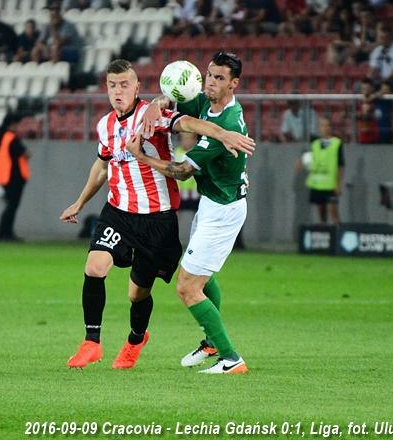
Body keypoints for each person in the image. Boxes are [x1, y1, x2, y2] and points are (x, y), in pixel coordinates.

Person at [60, 58, 254, 371]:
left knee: (150, 291)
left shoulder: (223, 122)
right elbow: (103, 163)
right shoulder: (107, 124)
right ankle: (91, 342)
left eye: (125, 85)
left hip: (177, 215)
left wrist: (221, 134)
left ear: (137, 86)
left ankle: (145, 340)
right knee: (95, 268)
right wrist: (80, 202)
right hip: (120, 211)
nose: (209, 81)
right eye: (112, 85)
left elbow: (184, 153)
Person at [125, 51, 251, 374]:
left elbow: (181, 172)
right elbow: (175, 98)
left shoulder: (226, 124)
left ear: (234, 84)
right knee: (203, 277)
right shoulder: (206, 102)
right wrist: (156, 103)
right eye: (209, 74)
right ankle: (212, 343)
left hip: (224, 210)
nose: (210, 82)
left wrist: (142, 156)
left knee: (187, 286)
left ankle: (231, 359)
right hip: (212, 202)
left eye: (219, 78)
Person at [0, 113, 30, 241]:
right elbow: (25, 153)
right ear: (13, 124)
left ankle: (3, 232)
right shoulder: (12, 138)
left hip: (5, 177)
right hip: (14, 177)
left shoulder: (1, 136)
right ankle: (5, 233)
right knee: (12, 206)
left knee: (10, 206)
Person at [304, 117, 344, 224]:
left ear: (330, 127)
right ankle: (324, 232)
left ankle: (338, 232)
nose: (324, 128)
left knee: (333, 212)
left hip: (331, 184)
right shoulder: (315, 143)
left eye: (327, 125)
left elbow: (340, 165)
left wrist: (339, 184)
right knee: (321, 213)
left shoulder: (336, 143)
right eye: (322, 125)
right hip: (318, 184)